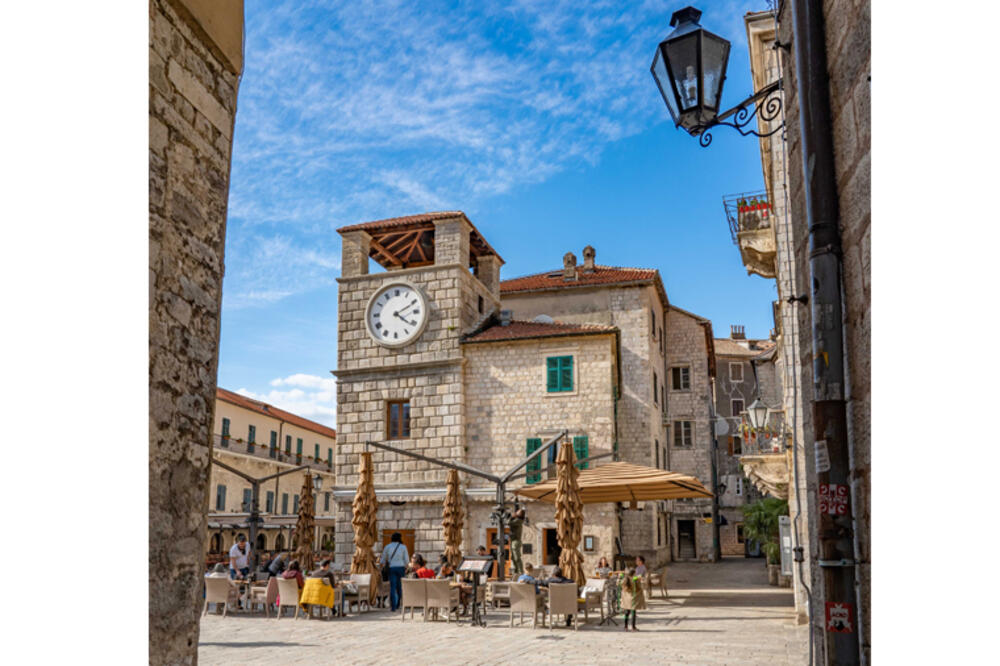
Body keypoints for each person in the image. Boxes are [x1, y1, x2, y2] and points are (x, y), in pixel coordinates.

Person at [380, 532, 409, 612]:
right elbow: (407, 560)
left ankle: (393, 606)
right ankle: (398, 604)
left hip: (392, 568)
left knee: (392, 587)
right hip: (401, 568)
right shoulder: (403, 547)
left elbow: (383, 559)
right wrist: (406, 567)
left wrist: (381, 566)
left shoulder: (387, 547)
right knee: (399, 586)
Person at [619, 567, 646, 631]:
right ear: (633, 574)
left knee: (627, 613)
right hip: (633, 599)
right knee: (633, 613)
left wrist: (620, 577)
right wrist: (640, 581)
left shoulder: (625, 579)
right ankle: (633, 627)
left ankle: (625, 627)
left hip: (626, 599)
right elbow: (639, 588)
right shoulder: (635, 579)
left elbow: (620, 584)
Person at [508, 508, 526, 575]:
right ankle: (516, 571)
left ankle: (520, 572)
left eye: (518, 512)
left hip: (516, 541)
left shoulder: (518, 520)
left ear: (520, 514)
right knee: (513, 557)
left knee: (517, 557)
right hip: (513, 540)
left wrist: (511, 517)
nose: (516, 512)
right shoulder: (516, 520)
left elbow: (508, 523)